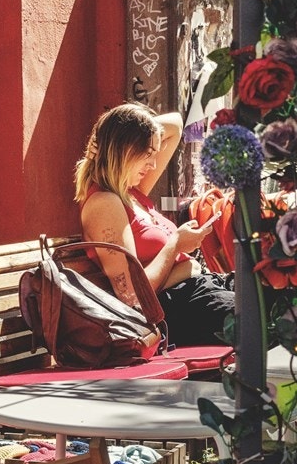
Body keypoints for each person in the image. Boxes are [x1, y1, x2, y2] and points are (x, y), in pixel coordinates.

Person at [75, 103, 236, 349]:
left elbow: (175, 125)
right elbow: (132, 296)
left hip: (202, 287)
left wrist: (105, 135)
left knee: (287, 291)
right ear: (125, 150)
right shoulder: (104, 203)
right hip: (178, 307)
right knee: (265, 318)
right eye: (148, 153)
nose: (153, 164)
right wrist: (176, 244)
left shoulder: (131, 192)